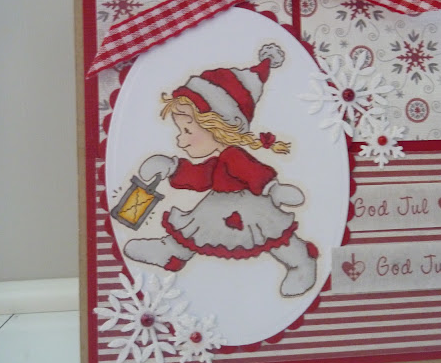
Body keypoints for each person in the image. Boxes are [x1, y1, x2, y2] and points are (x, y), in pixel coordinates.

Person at [123, 44, 318, 297]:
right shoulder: (217, 162)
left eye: (187, 130)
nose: (181, 140)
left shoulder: (233, 155)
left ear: (222, 125)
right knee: (195, 229)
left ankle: (301, 262)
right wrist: (170, 168)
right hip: (217, 206)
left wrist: (274, 189)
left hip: (250, 207)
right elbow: (199, 177)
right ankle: (170, 252)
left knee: (273, 235)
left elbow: (253, 171)